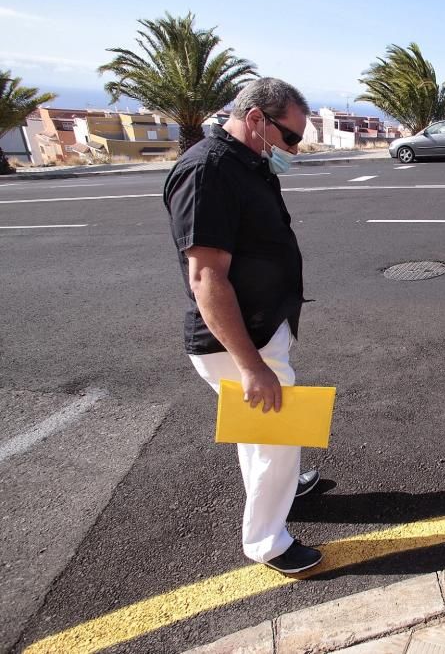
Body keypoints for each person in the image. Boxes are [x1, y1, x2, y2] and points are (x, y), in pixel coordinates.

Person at [163, 77, 323, 574]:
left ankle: (284, 482)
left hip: (260, 327)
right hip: (237, 341)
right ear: (255, 119)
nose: (294, 148)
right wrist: (251, 366)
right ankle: (267, 541)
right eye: (291, 137)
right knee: (276, 431)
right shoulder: (209, 172)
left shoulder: (247, 160)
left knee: (262, 430)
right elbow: (207, 278)